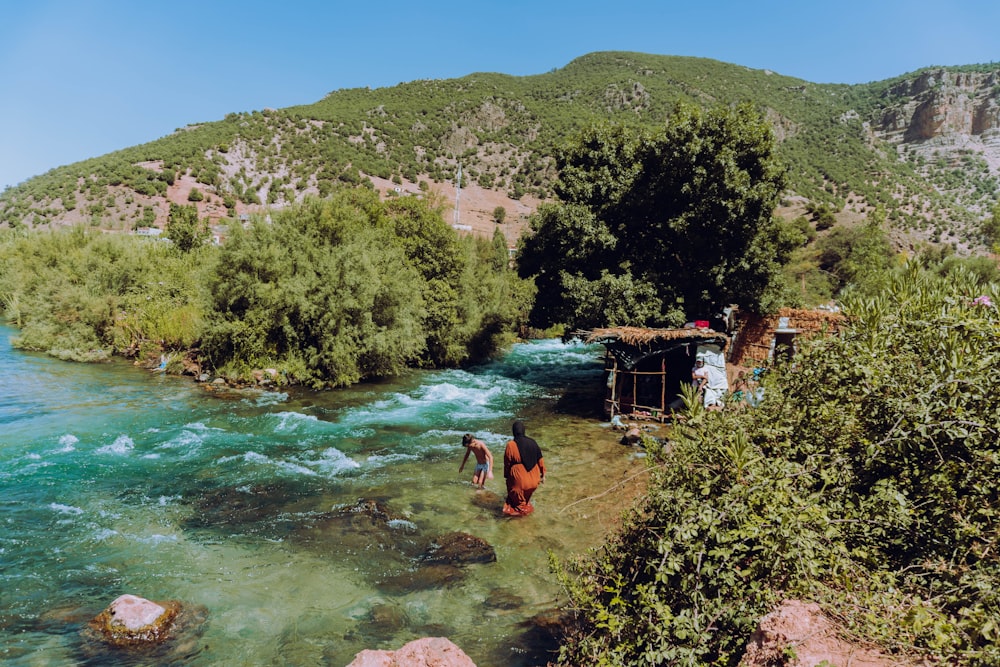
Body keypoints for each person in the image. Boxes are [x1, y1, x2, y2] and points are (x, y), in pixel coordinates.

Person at [502, 420, 546, 516]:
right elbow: (541, 461)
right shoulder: (533, 442)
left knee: (517, 506)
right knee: (525, 500)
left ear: (513, 432)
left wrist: (507, 476)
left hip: (520, 481)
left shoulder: (511, 445)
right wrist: (543, 475)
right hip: (534, 480)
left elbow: (507, 463)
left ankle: (521, 525)